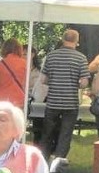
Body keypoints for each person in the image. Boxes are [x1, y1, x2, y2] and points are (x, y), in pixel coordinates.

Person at [38, 29, 89, 164]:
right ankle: (59, 161)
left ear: (62, 39)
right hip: (70, 102)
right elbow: (84, 82)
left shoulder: (51, 56)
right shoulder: (81, 58)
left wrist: (55, 80)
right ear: (77, 41)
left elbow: (43, 80)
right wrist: (75, 83)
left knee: (47, 132)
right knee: (65, 133)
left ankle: (43, 160)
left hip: (53, 101)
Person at [0, 38, 27, 109]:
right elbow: (25, 83)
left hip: (1, 100)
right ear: (19, 49)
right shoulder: (24, 63)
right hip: (18, 100)